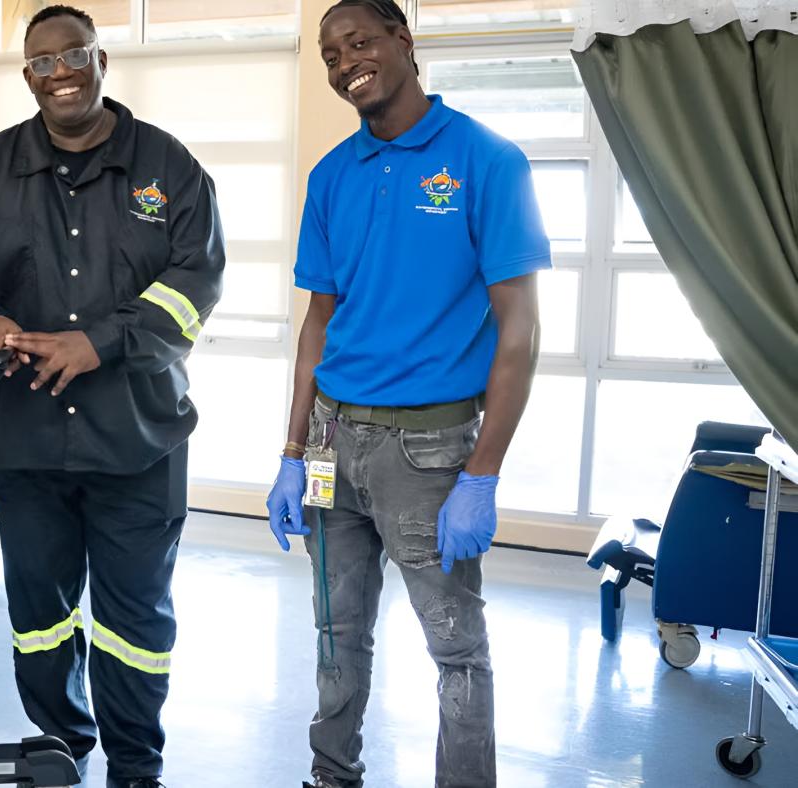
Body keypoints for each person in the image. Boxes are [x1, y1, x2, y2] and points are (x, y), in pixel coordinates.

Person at [0, 6, 224, 786]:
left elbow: (198, 282)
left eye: (75, 55)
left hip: (137, 439)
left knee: (134, 623)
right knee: (38, 620)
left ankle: (135, 767)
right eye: (41, 61)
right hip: (26, 440)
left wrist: (100, 343)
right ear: (26, 75)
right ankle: (63, 748)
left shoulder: (168, 168)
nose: (59, 71)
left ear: (102, 62)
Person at [266, 1, 548, 786]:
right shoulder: (330, 175)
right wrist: (293, 451)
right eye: (329, 52)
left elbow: (520, 333)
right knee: (335, 636)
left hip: (429, 453)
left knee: (456, 649)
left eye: (360, 42)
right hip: (330, 444)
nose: (344, 61)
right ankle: (332, 776)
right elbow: (316, 327)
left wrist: (482, 474)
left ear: (404, 42)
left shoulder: (488, 162)